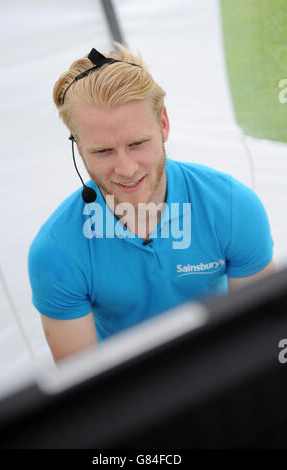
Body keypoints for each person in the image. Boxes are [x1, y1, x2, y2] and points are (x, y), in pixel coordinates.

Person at [28, 43, 275, 363]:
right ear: (78, 148)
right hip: (127, 394)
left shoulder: (232, 207)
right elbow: (85, 388)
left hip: (223, 370)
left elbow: (261, 339)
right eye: (102, 151)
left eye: (137, 143)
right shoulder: (55, 252)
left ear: (164, 124)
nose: (126, 169)